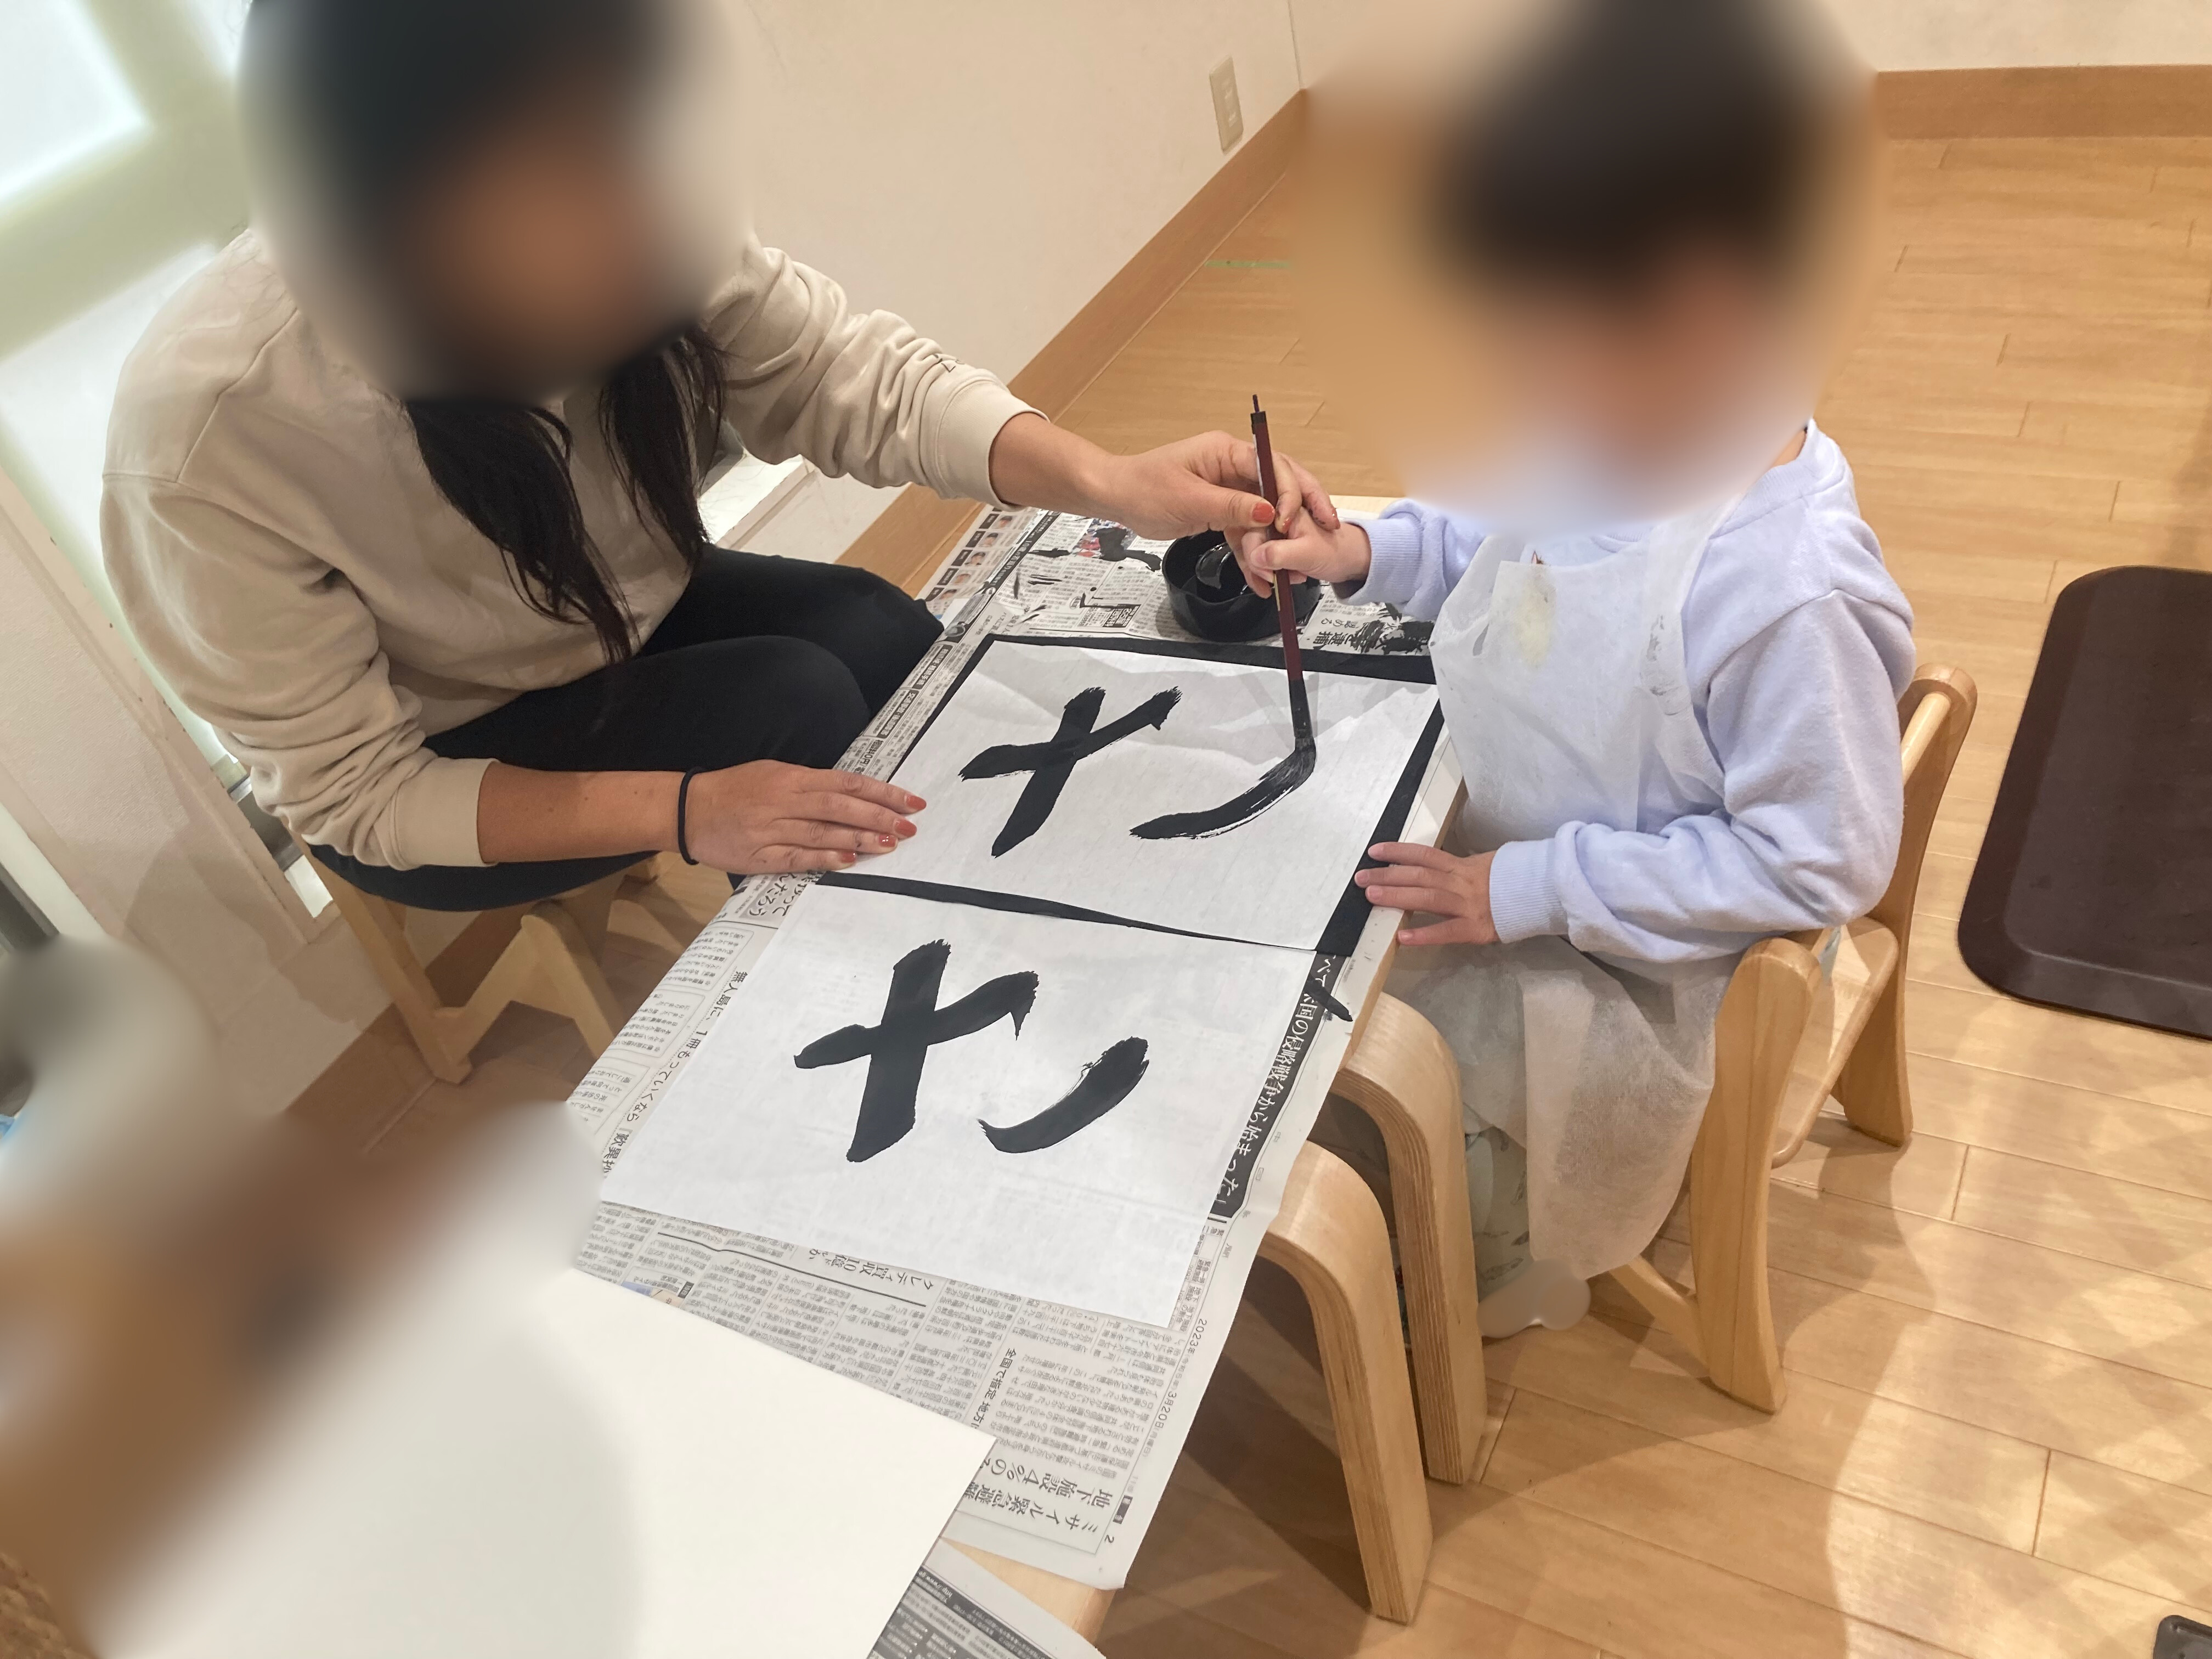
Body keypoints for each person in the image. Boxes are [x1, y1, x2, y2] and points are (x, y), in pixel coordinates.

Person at [101, 0, 1335, 911]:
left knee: (885, 636)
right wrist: (684, 809)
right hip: (447, 744)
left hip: (614, 613)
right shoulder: (215, 431)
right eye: (573, 161)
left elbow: (849, 377)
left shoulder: (637, 213)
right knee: (792, 710)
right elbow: (359, 794)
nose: (644, 202)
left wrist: (1107, 480)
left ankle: (1002, 911)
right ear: (403, 200)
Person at [1238, 0, 1911, 1334]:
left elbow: (1814, 865)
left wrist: (1529, 890)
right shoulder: (1608, 427)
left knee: (1384, 1161)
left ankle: (1476, 1251)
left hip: (1657, 970)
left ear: (1705, 313)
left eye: (1540, 340)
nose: (1515, 379)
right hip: (1516, 853)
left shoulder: (1781, 593)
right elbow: (1491, 535)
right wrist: (1364, 551)